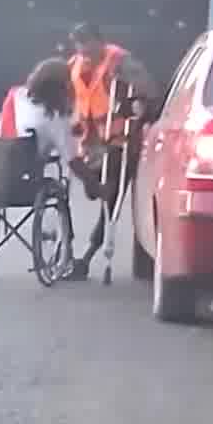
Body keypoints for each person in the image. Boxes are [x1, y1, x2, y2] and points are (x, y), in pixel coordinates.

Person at [63, 23, 159, 280]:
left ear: (98, 42)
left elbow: (148, 91)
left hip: (119, 141)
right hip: (90, 142)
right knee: (94, 190)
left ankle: (89, 255)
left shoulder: (120, 61)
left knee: (111, 197)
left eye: (87, 44)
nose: (83, 51)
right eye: (79, 45)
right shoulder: (74, 64)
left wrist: (135, 105)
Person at [0, 58, 85, 271]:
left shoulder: (15, 96)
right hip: (27, 180)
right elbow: (72, 159)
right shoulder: (55, 117)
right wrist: (95, 185)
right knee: (60, 190)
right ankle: (67, 256)